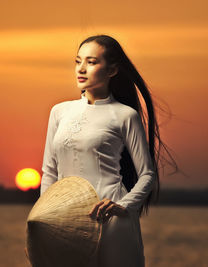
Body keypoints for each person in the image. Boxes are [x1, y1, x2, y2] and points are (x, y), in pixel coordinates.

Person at [39, 35, 177, 267]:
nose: (81, 69)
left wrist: (123, 206)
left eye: (91, 62)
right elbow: (49, 172)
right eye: (78, 61)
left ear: (112, 70)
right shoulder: (59, 112)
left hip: (111, 220)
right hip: (67, 221)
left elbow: (147, 174)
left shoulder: (124, 115)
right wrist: (45, 218)